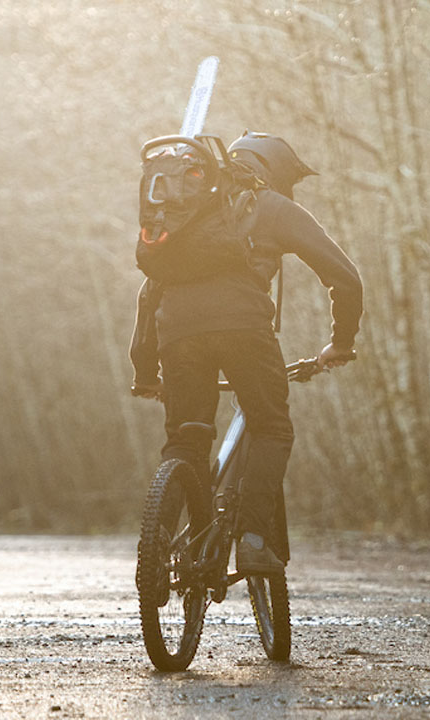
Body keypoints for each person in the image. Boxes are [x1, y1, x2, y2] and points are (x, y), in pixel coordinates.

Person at [128, 132, 363, 575]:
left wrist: (145, 371)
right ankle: (254, 540)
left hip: (178, 336)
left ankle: (161, 548)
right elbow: (345, 278)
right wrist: (342, 340)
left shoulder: (185, 211)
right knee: (271, 428)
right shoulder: (271, 206)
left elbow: (150, 294)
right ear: (274, 171)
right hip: (245, 333)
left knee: (187, 439)